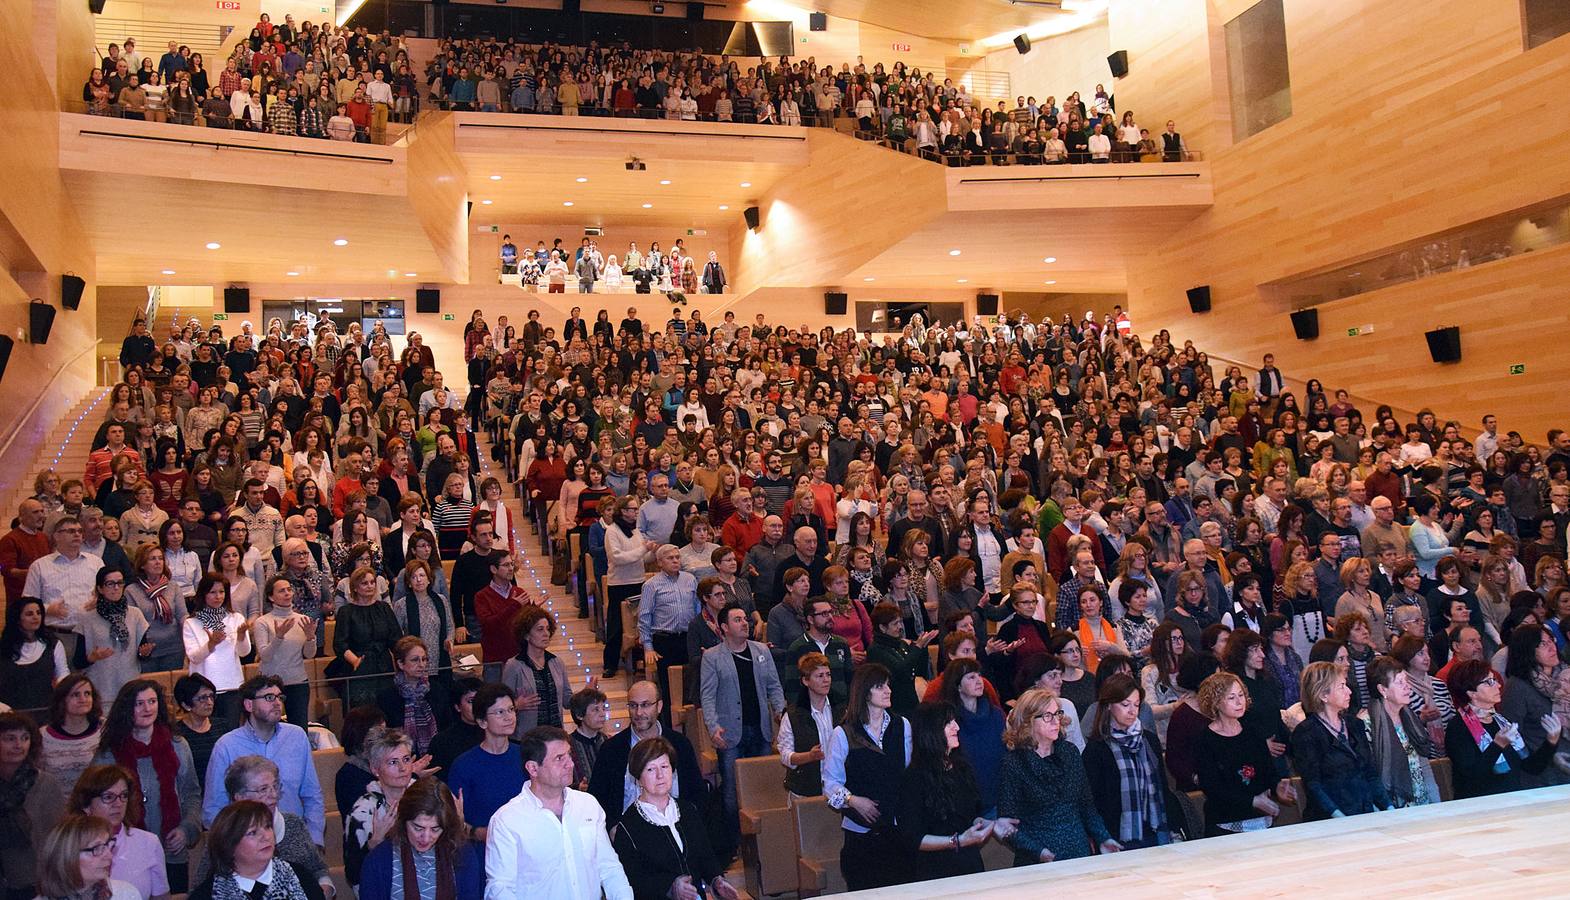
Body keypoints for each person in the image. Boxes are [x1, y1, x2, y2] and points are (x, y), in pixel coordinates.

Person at [484, 725, 633, 900]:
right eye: (559, 758)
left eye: (569, 755)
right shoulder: (507, 820)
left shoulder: (588, 804)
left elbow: (608, 866)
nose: (570, 764)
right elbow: (500, 889)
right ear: (533, 769)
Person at [92, 679, 202, 893]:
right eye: (139, 703)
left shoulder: (178, 745)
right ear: (127, 709)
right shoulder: (109, 753)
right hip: (125, 851)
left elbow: (192, 794)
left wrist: (187, 828)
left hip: (172, 848)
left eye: (152, 701)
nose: (147, 708)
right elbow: (94, 802)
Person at [993, 687, 1119, 866]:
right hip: (1037, 860)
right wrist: (1038, 851)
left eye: (1057, 714)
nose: (1055, 722)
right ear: (1028, 722)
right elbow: (1007, 825)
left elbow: (1086, 806)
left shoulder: (1070, 752)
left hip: (1078, 853)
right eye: (1047, 716)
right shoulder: (1014, 763)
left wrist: (1103, 838)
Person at [699, 602, 784, 852]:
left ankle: (766, 843)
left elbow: (773, 686)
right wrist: (713, 727)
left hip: (760, 729)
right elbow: (707, 696)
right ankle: (735, 844)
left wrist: (781, 711)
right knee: (731, 791)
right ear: (724, 627)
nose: (745, 623)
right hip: (730, 733)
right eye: (737, 620)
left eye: (745, 619)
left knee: (765, 785)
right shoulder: (712, 657)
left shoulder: (760, 651)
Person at [203, 675, 326, 846]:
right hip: (246, 844)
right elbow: (213, 809)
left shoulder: (296, 736)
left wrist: (315, 840)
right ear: (249, 705)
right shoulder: (226, 746)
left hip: (293, 840)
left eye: (279, 697)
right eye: (269, 697)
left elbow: (312, 794)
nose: (277, 703)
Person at [610, 736, 737, 900]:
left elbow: (705, 856)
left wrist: (716, 880)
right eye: (650, 769)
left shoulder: (688, 810)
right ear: (638, 778)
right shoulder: (628, 827)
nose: (660, 775)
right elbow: (634, 880)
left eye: (664, 766)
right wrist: (670, 887)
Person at [822, 664, 912, 890]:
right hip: (861, 836)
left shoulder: (902, 726)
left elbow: (910, 773)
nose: (888, 691)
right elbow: (830, 783)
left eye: (888, 686)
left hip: (897, 830)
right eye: (880, 686)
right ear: (864, 691)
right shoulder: (843, 733)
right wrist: (853, 800)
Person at [192, 756, 332, 899]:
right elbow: (200, 885)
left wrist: (325, 888)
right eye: (263, 789)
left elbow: (318, 870)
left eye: (275, 787)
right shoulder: (224, 834)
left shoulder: (298, 872)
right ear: (239, 797)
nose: (273, 795)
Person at [587, 681, 706, 828]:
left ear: (659, 706)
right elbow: (596, 798)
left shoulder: (680, 744)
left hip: (675, 827)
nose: (638, 713)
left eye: (645, 705)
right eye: (633, 705)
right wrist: (612, 828)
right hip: (629, 833)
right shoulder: (611, 749)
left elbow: (697, 794)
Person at [1082, 674, 1181, 848]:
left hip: (1155, 827)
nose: (1132, 711)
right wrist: (1101, 836)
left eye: (1136, 705)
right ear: (1108, 706)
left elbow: (1162, 787)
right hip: (1118, 834)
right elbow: (1093, 800)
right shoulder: (1097, 749)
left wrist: (1174, 826)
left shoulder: (1149, 740)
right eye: (1125, 704)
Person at [894, 702, 990, 882]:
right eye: (948, 723)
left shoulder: (962, 768)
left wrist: (987, 824)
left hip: (970, 865)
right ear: (931, 731)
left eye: (955, 721)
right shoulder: (914, 777)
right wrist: (958, 841)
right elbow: (913, 838)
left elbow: (970, 814)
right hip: (936, 871)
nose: (957, 727)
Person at [1193, 671, 1296, 836]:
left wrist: (1277, 786)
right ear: (1216, 703)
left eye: (1241, 695)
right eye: (1231, 697)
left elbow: (1268, 771)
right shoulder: (1206, 739)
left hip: (1260, 820)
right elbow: (1211, 787)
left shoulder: (1252, 731)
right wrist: (1253, 801)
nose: (1239, 702)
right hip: (1225, 824)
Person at [1445, 657, 1561, 797]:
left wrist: (1551, 740)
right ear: (1471, 693)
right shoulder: (1457, 727)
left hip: (1512, 800)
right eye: (1489, 682)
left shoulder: (1501, 721)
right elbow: (1471, 780)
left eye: (1494, 679)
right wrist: (1497, 745)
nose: (1498, 685)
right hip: (1478, 806)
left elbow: (1532, 767)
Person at [1291, 661, 1390, 820]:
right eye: (1342, 686)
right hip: (1329, 819)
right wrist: (1339, 817)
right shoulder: (1305, 733)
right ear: (1323, 695)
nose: (1349, 691)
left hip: (1365, 812)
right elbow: (1314, 785)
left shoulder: (1355, 724)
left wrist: (1388, 807)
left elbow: (1371, 773)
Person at [357, 778, 484, 900]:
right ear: (403, 821)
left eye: (435, 829)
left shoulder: (462, 853)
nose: (426, 838)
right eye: (418, 828)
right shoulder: (379, 860)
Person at [186, 800, 325, 900]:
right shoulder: (207, 894)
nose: (265, 837)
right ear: (230, 844)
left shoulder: (300, 877)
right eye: (252, 833)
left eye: (267, 827)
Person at [67, 764, 168, 900]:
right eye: (108, 797)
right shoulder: (69, 845)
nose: (118, 804)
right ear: (86, 805)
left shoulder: (148, 842)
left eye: (123, 796)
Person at [0, 710, 67, 899]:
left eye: (25, 738)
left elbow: (57, 839)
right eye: (9, 738)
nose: (18, 745)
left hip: (36, 883)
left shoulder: (46, 784)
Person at [446, 683, 523, 840]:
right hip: (482, 849)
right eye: (500, 712)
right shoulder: (464, 765)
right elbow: (452, 820)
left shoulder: (526, 756)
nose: (509, 717)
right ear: (482, 722)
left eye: (511, 710)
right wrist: (480, 833)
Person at [1497, 622, 1569, 788]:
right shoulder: (1517, 687)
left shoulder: (1566, 677)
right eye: (1543, 644)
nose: (1552, 647)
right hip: (1544, 773)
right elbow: (1513, 736)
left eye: (1552, 640)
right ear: (1527, 650)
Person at [344, 727, 418, 887]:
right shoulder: (363, 811)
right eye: (393, 762)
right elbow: (353, 874)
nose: (403, 768)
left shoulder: (426, 798)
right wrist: (375, 842)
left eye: (406, 759)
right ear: (375, 769)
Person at [1365, 656, 1441, 808]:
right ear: (1382, 689)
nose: (1408, 687)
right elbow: (1370, 773)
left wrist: (1436, 801)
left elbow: (1423, 763)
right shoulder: (1367, 724)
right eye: (1400, 683)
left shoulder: (1409, 716)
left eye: (1406, 681)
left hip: (1422, 799)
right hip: (1391, 805)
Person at [181, 574, 251, 727]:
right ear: (203, 594)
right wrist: (211, 644)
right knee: (207, 730)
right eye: (213, 592)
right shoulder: (191, 622)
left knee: (230, 730)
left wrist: (240, 637)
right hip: (204, 688)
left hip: (231, 685)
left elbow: (244, 652)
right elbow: (194, 657)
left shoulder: (236, 618)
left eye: (222, 592)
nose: (218, 596)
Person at [639, 543, 699, 713]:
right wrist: (648, 647)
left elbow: (697, 608)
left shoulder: (690, 579)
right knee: (668, 688)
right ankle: (669, 727)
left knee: (692, 684)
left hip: (687, 637)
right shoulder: (651, 585)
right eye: (670, 558)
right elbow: (644, 616)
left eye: (677, 557)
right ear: (660, 562)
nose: (675, 561)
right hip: (665, 640)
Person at [332, 565, 402, 709]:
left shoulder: (384, 608)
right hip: (358, 667)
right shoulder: (346, 611)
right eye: (364, 583)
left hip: (383, 666)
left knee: (387, 709)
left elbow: (396, 639)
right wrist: (355, 660)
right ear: (355, 588)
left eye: (372, 582)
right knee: (363, 713)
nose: (370, 586)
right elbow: (340, 644)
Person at [251, 576, 317, 729]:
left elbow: (309, 655)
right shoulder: (263, 622)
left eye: (289, 589)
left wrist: (310, 637)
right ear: (270, 597)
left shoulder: (303, 619)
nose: (287, 593)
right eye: (281, 591)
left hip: (297, 682)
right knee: (269, 727)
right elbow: (264, 655)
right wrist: (278, 636)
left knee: (299, 727)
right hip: (269, 684)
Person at [776, 651, 841, 800]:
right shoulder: (792, 715)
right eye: (820, 676)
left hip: (838, 788)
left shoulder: (841, 709)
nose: (826, 680)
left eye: (828, 675)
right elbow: (785, 756)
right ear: (806, 681)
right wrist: (809, 756)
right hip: (805, 790)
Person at [33, 813, 140, 900]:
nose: (109, 856)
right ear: (67, 857)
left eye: (108, 845)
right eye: (97, 848)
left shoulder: (126, 894)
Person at [375, 637, 451, 756]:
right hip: (401, 758)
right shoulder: (387, 697)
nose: (421, 664)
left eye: (424, 659)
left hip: (437, 755)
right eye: (415, 660)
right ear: (400, 663)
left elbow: (447, 728)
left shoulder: (437, 690)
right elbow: (385, 738)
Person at [502, 605, 571, 735]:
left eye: (548, 629)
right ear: (527, 635)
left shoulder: (557, 662)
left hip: (556, 734)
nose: (546, 634)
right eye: (540, 629)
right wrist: (516, 705)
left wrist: (585, 695)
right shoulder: (514, 665)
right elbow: (502, 705)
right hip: (528, 738)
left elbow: (567, 700)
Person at [0, 595, 68, 718]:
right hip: (9, 716)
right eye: (29, 614)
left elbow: (63, 674)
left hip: (45, 714)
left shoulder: (53, 644)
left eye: (38, 613)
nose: (36, 617)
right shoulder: (2, 649)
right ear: (17, 618)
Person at [43, 674, 106, 793]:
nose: (83, 699)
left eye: (87, 694)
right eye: (76, 695)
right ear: (62, 700)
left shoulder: (106, 729)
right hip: (58, 806)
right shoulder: (44, 737)